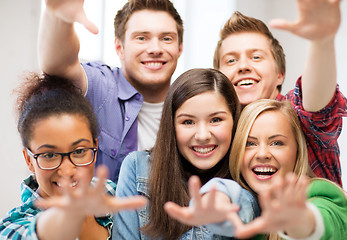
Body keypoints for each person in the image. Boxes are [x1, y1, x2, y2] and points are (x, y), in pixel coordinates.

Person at [165, 99, 347, 240]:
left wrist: (300, 221)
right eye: (250, 143)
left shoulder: (325, 195)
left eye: (277, 143)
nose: (263, 153)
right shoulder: (247, 205)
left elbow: (321, 220)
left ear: (298, 150)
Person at [37, 0, 184, 182]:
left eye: (166, 38)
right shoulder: (101, 86)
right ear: (119, 48)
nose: (155, 49)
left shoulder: (189, 103)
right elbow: (59, 64)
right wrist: (57, 18)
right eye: (141, 38)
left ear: (179, 48)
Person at [213, 0, 347, 186]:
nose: (243, 66)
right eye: (231, 60)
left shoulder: (295, 113)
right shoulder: (219, 129)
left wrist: (322, 42)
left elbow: (316, 106)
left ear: (280, 74)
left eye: (256, 57)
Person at [112, 68, 260, 239]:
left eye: (216, 120)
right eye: (188, 122)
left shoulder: (247, 176)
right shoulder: (137, 167)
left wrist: (222, 197)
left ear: (234, 120)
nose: (203, 135)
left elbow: (244, 204)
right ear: (172, 125)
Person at [0, 73, 147, 240]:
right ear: (29, 160)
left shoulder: (111, 192)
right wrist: (67, 217)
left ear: (95, 147)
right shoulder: (12, 228)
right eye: (49, 155)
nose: (67, 170)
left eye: (79, 151)